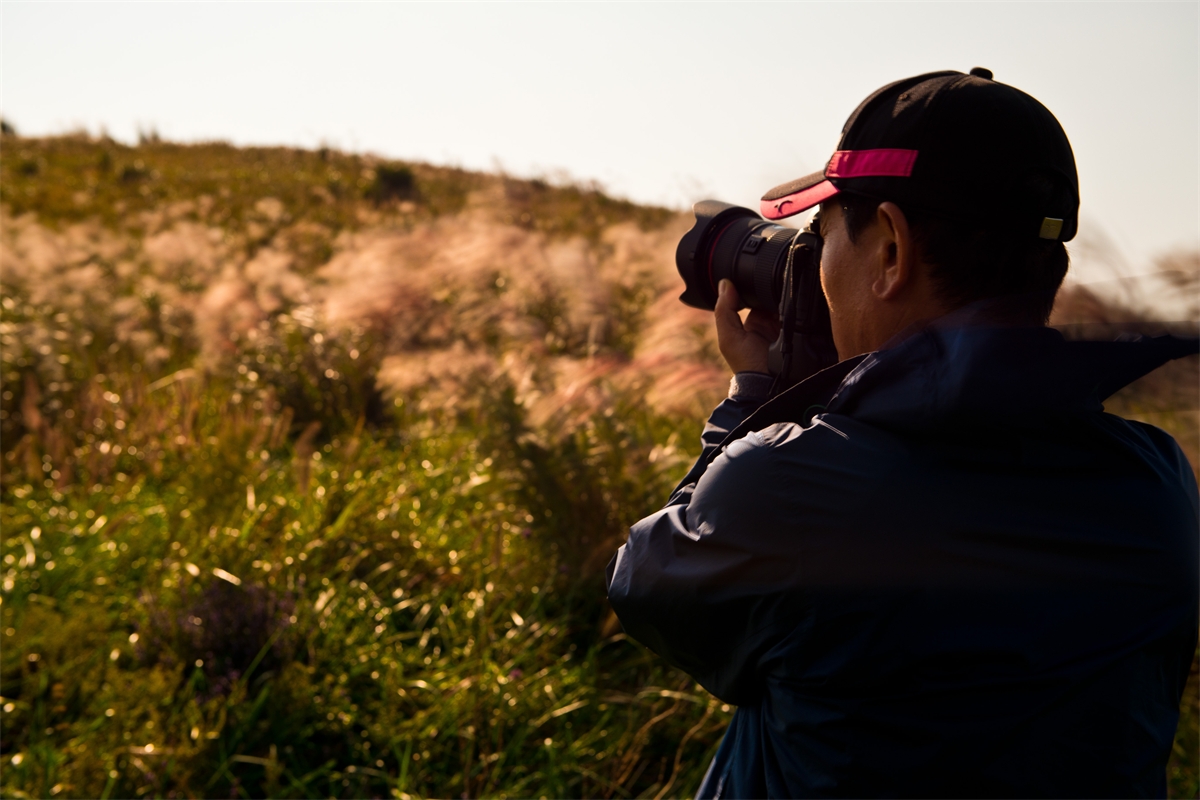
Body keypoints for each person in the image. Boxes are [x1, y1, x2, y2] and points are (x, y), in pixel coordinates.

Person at [606, 68, 1199, 798]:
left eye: (821, 235)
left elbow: (646, 587)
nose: (813, 264)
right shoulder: (1157, 485)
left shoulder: (787, 492)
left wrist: (758, 400)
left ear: (891, 249)